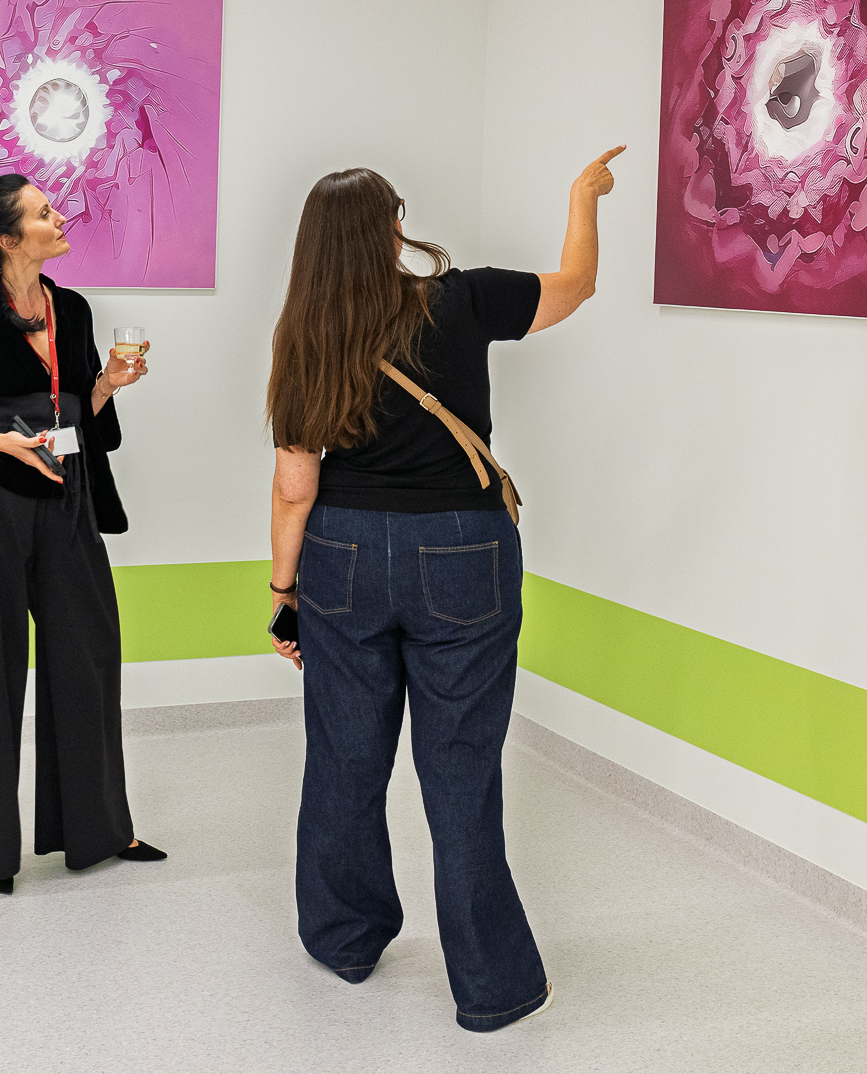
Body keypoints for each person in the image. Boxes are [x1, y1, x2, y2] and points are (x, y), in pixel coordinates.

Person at [263, 151, 618, 1031]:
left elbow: (295, 486)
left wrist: (284, 590)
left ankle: (345, 937)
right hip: (464, 548)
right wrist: (583, 198)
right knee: (461, 768)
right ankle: (492, 985)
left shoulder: (304, 333)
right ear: (389, 228)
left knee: (344, 754)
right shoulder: (459, 300)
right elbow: (575, 285)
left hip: (343, 552)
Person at [0, 173, 164, 895]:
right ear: (9, 240)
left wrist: (106, 385)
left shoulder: (70, 309)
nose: (59, 217)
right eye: (44, 213)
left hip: (66, 497)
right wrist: (2, 443)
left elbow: (79, 412)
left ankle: (101, 826)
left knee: (89, 654)